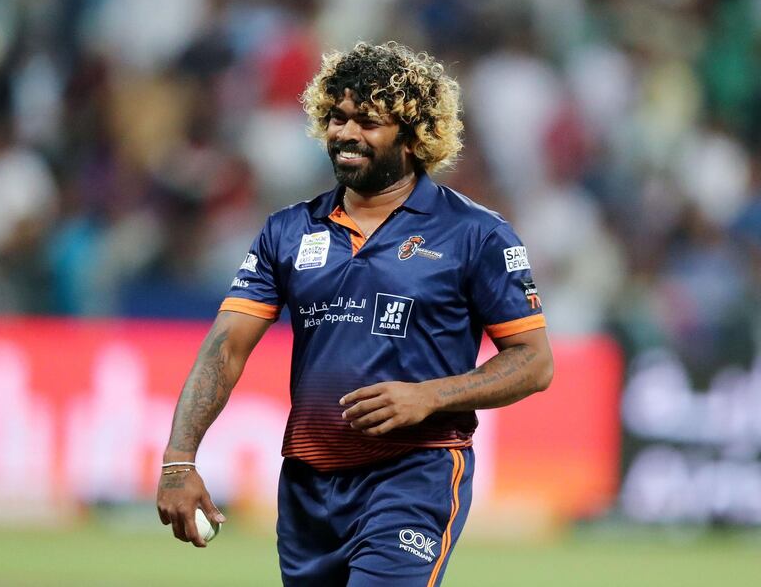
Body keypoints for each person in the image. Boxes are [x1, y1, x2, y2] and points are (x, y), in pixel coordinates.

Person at [157, 41, 553, 586]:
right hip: (307, 484)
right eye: (337, 117)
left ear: (414, 137)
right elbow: (225, 347)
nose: (346, 134)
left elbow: (534, 361)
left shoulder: (476, 234)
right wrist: (180, 458)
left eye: (369, 122)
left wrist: (429, 395)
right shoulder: (288, 230)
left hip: (414, 474)